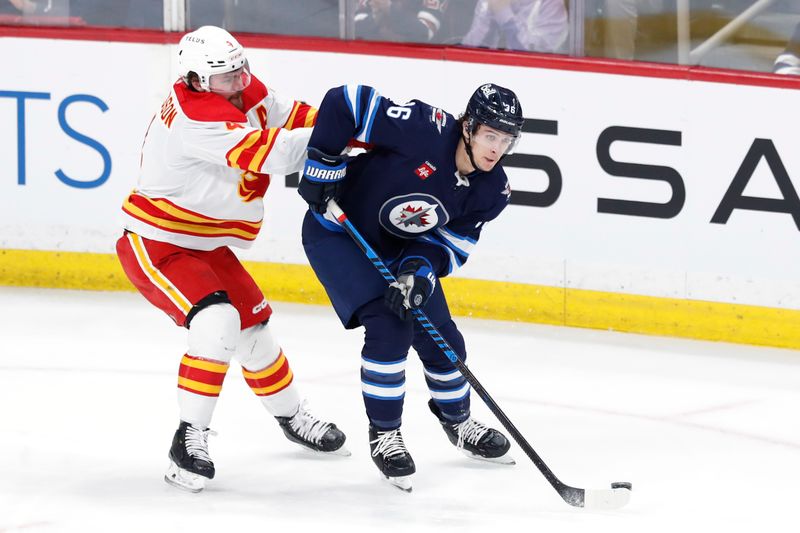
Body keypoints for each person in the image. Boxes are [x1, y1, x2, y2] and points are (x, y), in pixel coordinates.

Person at [115, 25, 348, 494]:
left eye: (243, 69)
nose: (241, 82)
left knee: (255, 334)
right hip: (158, 242)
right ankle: (188, 440)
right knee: (217, 321)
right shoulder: (192, 114)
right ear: (198, 79)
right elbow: (273, 152)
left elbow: (292, 115)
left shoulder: (240, 86)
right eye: (228, 77)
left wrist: (351, 126)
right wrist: (349, 138)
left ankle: (291, 416)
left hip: (206, 243)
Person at [296, 82, 523, 491]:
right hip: (339, 233)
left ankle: (458, 421)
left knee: (443, 340)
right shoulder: (422, 128)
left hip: (400, 250)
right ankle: (385, 434)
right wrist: (322, 164)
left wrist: (419, 272)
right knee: (390, 325)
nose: (496, 149)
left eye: (506, 141)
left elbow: (449, 243)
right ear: (468, 127)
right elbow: (343, 101)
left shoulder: (493, 190)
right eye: (490, 135)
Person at [461, 0, 568, 53]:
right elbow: (468, 49)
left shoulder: (551, 3)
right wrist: (491, 16)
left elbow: (534, 57)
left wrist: (504, 14)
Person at [354, 0, 448, 43]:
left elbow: (425, 33)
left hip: (421, 61)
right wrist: (375, 17)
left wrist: (389, 8)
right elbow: (354, 29)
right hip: (373, 55)